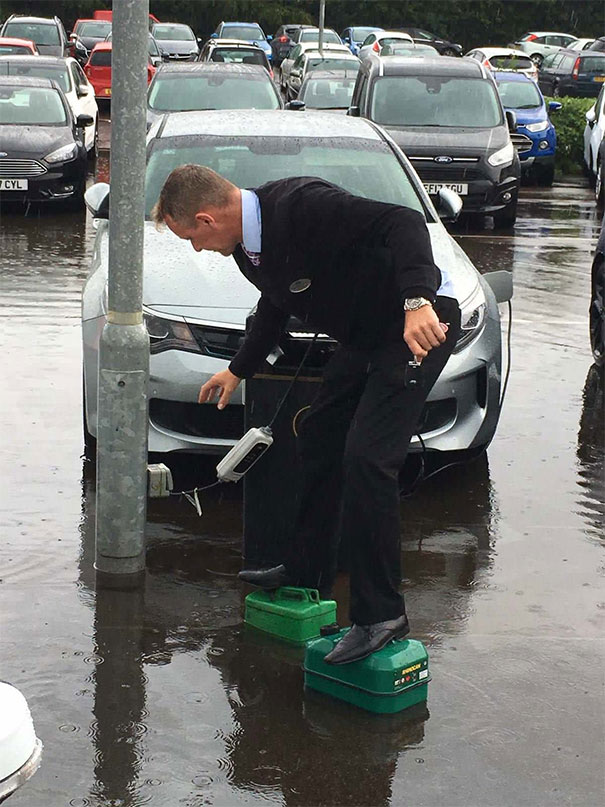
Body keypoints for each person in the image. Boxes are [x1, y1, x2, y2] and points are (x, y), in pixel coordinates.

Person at [152, 165, 461, 665]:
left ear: (207, 220)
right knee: (319, 432)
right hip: (368, 334)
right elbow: (276, 304)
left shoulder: (304, 206)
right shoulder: (249, 249)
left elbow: (402, 223)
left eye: (191, 237)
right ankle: (305, 569)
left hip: (420, 324)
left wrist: (417, 300)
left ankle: (381, 614)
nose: (196, 248)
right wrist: (238, 370)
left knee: (368, 459)